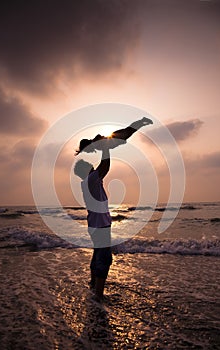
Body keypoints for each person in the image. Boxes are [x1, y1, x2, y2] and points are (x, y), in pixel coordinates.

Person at [74, 147, 112, 302]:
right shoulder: (91, 180)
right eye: (90, 165)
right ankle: (98, 295)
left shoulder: (89, 182)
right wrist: (106, 148)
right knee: (105, 259)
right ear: (87, 170)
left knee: (97, 254)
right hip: (100, 226)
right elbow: (105, 166)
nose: (93, 166)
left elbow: (101, 169)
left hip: (95, 225)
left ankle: (93, 283)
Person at [75, 116, 153, 155]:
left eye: (86, 150)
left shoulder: (95, 144)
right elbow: (101, 138)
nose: (88, 152)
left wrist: (116, 142)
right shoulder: (95, 144)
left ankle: (142, 121)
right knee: (131, 130)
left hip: (116, 137)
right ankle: (142, 122)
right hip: (115, 137)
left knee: (130, 130)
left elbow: (102, 140)